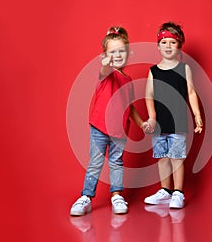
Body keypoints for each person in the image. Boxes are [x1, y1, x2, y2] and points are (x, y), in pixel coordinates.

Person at [70, 26, 150, 216]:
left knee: (116, 162)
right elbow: (104, 69)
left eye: (122, 51)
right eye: (113, 52)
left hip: (120, 130)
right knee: (95, 163)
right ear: (106, 54)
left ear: (129, 53)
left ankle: (116, 195)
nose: (118, 55)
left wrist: (141, 123)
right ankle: (86, 197)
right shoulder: (107, 74)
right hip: (99, 127)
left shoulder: (128, 79)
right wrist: (106, 63)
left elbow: (129, 106)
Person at [144, 22, 203, 209]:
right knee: (162, 157)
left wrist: (197, 115)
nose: (168, 46)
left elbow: (191, 93)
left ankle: (178, 192)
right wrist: (152, 117)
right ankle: (165, 191)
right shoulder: (153, 71)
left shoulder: (184, 69)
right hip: (160, 124)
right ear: (158, 45)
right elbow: (149, 96)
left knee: (177, 158)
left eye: (172, 42)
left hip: (178, 122)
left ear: (179, 45)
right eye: (164, 42)